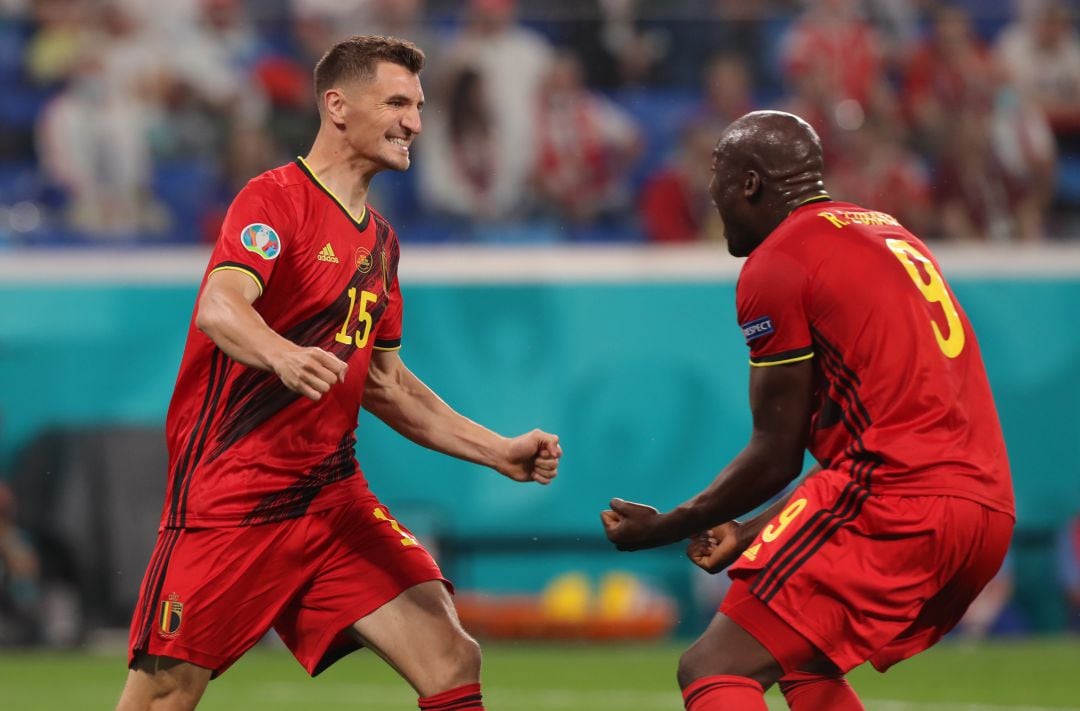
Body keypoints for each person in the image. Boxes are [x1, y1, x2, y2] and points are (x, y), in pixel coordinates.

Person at [116, 35, 562, 711]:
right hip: (233, 497)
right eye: (397, 102)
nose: (414, 120)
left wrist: (497, 449)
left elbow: (387, 384)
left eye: (418, 104)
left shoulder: (380, 242)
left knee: (449, 653)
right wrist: (280, 351)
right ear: (337, 106)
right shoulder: (273, 200)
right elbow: (220, 305)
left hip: (330, 497)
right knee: (164, 694)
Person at [600, 110, 1013, 710]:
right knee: (802, 660)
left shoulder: (779, 261)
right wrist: (750, 531)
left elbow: (776, 455)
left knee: (713, 666)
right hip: (985, 509)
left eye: (716, 182)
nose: (710, 200)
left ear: (750, 183)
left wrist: (668, 526)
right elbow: (883, 437)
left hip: (900, 503)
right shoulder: (889, 232)